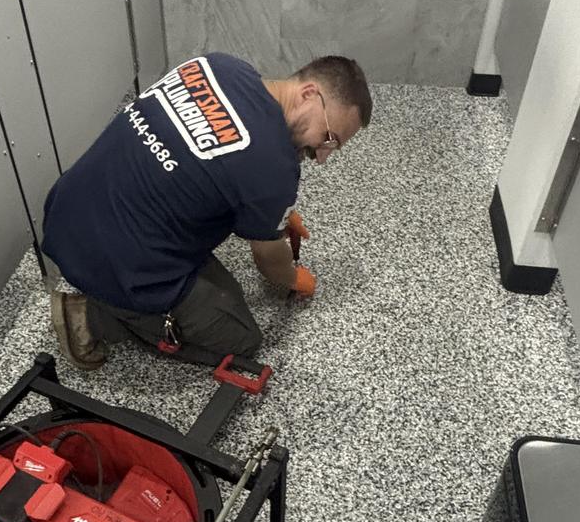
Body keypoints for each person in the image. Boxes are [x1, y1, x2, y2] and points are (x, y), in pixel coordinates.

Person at [42, 52, 372, 369]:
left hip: (67, 211)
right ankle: (89, 317)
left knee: (221, 284)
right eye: (328, 138)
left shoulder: (218, 65)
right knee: (242, 338)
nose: (323, 155)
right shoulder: (273, 167)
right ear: (309, 94)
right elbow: (269, 262)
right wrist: (294, 278)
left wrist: (278, 218)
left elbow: (215, 164)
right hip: (110, 259)